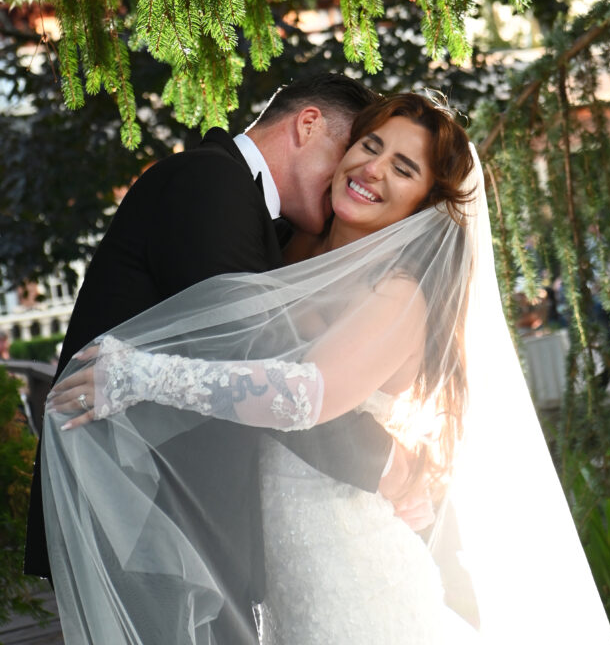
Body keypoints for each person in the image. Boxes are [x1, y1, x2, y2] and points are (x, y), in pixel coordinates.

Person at [44, 93, 610, 644]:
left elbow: (301, 397)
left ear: (422, 205)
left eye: (403, 168)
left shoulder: (397, 293)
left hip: (358, 575)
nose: (373, 169)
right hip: (281, 581)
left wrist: (139, 376)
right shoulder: (283, 249)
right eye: (370, 145)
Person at [26, 73, 414, 643]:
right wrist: (386, 462)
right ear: (308, 125)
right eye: (348, 156)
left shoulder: (245, 207)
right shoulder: (211, 183)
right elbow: (249, 360)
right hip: (141, 519)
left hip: (168, 525)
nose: (346, 183)